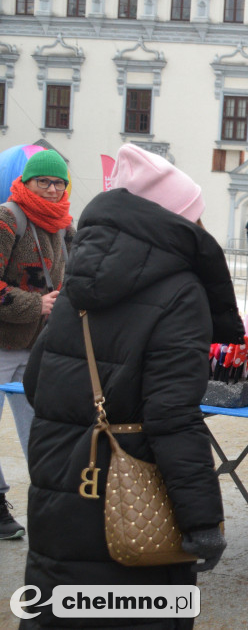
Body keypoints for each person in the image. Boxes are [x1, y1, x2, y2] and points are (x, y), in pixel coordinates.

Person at [21, 143, 244, 628]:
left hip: (60, 484)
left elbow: (38, 382)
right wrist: (203, 520)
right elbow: (172, 417)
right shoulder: (180, 291)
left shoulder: (78, 277)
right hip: (130, 494)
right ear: (172, 221)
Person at [0, 149, 74, 541]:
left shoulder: (64, 224)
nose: (50, 188)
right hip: (2, 342)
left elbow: (82, 270)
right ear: (26, 182)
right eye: (42, 181)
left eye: (57, 182)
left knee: (42, 429)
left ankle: (51, 506)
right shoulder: (7, 217)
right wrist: (34, 303)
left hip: (40, 346)